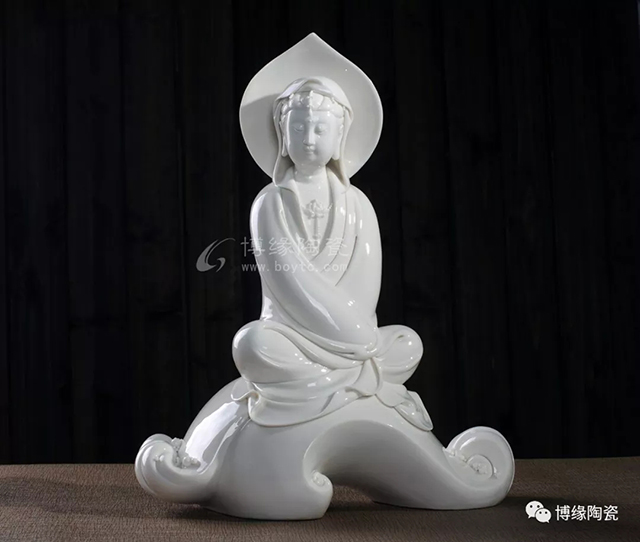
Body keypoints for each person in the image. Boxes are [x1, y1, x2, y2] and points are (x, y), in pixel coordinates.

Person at [231, 77, 432, 431]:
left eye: (320, 129)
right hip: (292, 336)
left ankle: (315, 388)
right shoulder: (269, 202)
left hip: (352, 336)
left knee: (407, 343)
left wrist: (356, 334)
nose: (309, 139)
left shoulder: (357, 205)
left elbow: (366, 284)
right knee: (250, 344)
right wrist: (355, 339)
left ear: (340, 137)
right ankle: (356, 381)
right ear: (282, 136)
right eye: (298, 129)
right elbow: (288, 282)